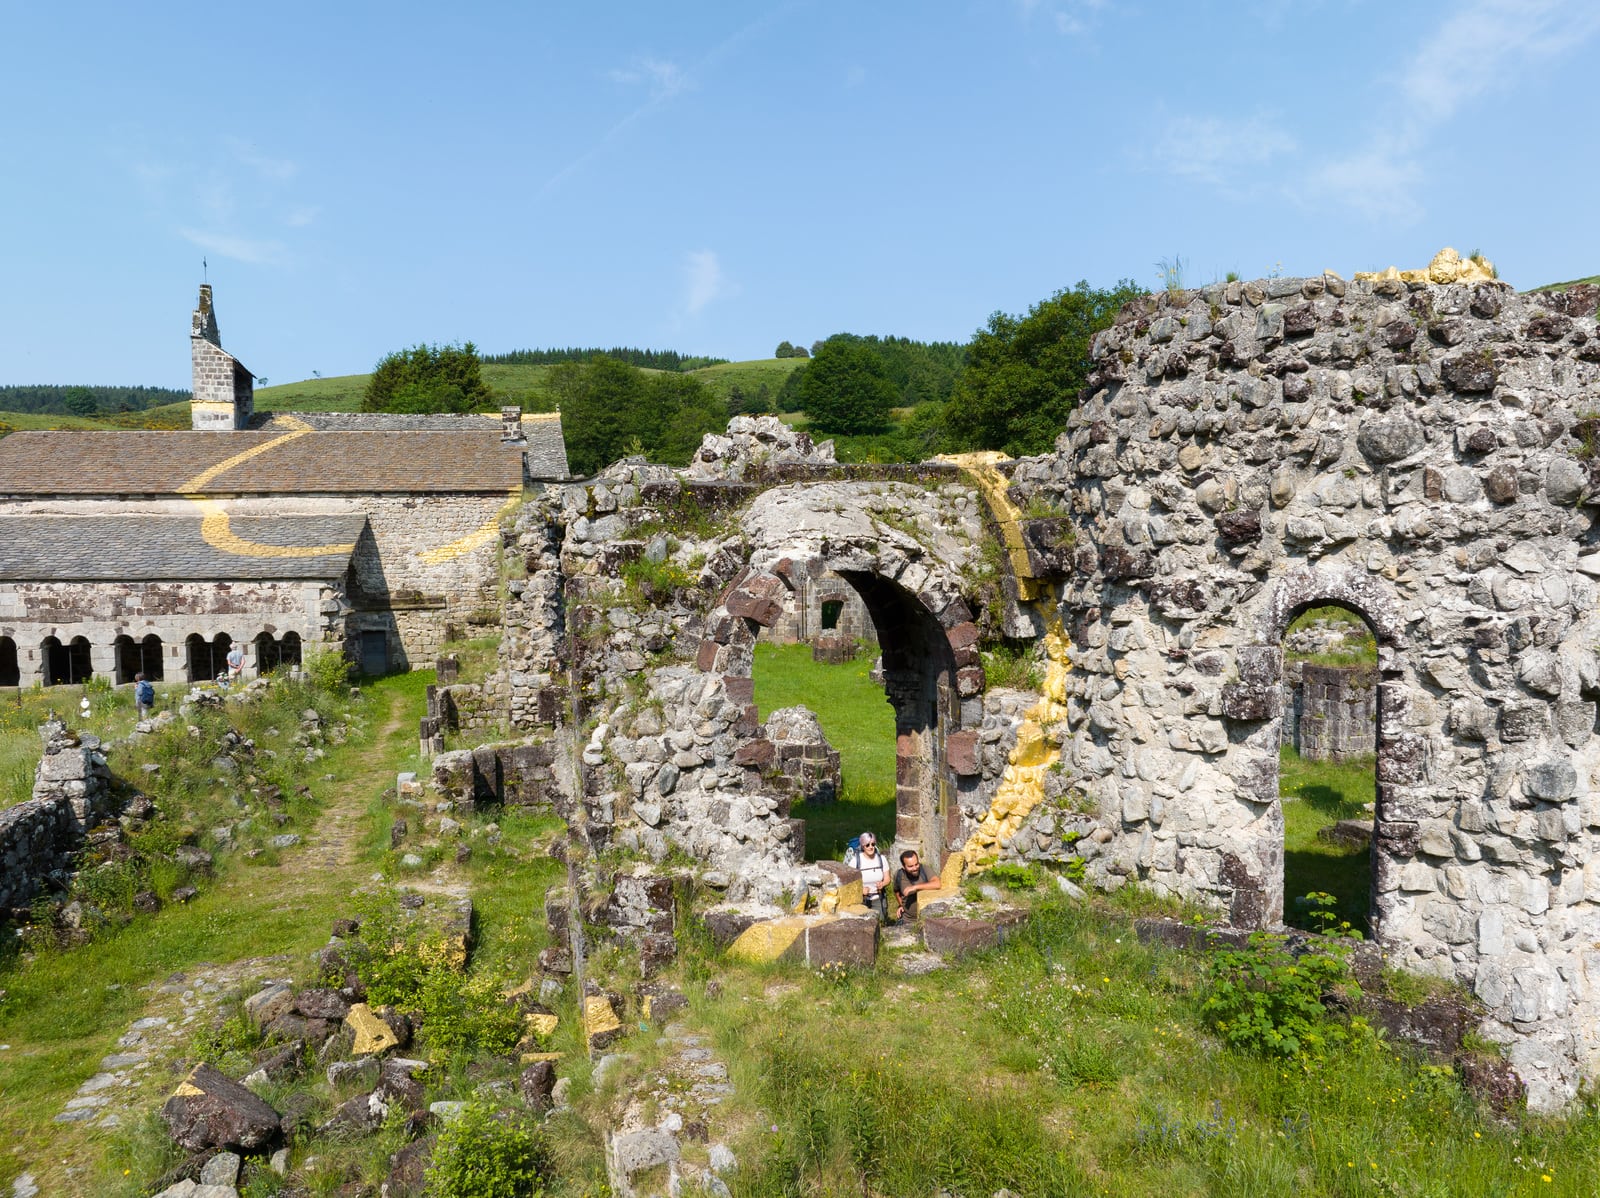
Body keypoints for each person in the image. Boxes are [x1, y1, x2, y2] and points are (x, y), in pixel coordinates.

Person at [894, 849, 941, 923]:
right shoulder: (899, 875)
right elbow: (896, 891)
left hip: (925, 919)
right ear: (904, 867)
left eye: (916, 864)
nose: (915, 868)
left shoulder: (924, 870)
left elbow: (937, 884)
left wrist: (915, 887)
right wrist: (900, 905)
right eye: (910, 866)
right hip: (907, 919)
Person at [855, 833, 892, 923]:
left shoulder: (881, 859)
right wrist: (861, 890)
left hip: (878, 897)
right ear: (863, 846)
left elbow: (887, 878)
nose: (871, 847)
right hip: (861, 900)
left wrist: (882, 884)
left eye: (873, 844)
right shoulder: (855, 861)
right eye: (867, 845)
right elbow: (850, 883)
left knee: (881, 922)